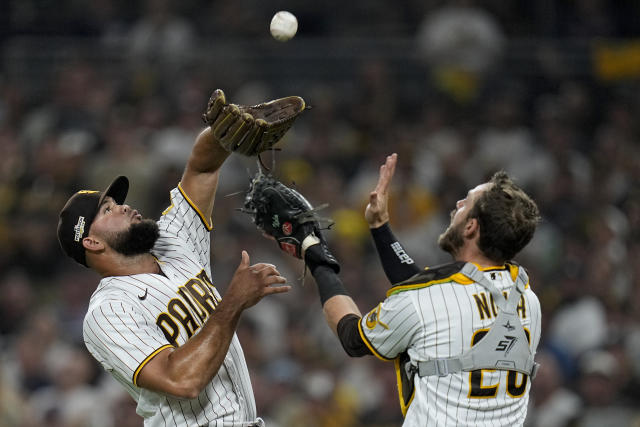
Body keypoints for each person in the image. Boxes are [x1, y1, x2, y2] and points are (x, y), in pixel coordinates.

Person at [56, 90, 290, 426]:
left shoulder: (172, 242)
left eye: (116, 202)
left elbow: (202, 169)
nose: (122, 205)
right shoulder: (108, 311)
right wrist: (233, 302)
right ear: (91, 241)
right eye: (107, 210)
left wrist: (221, 134)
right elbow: (181, 381)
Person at [296, 153, 542, 426]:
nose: (458, 204)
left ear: (471, 227)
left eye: (466, 202)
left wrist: (315, 256)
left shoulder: (427, 300)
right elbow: (428, 296)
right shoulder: (528, 299)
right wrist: (380, 226)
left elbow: (353, 338)